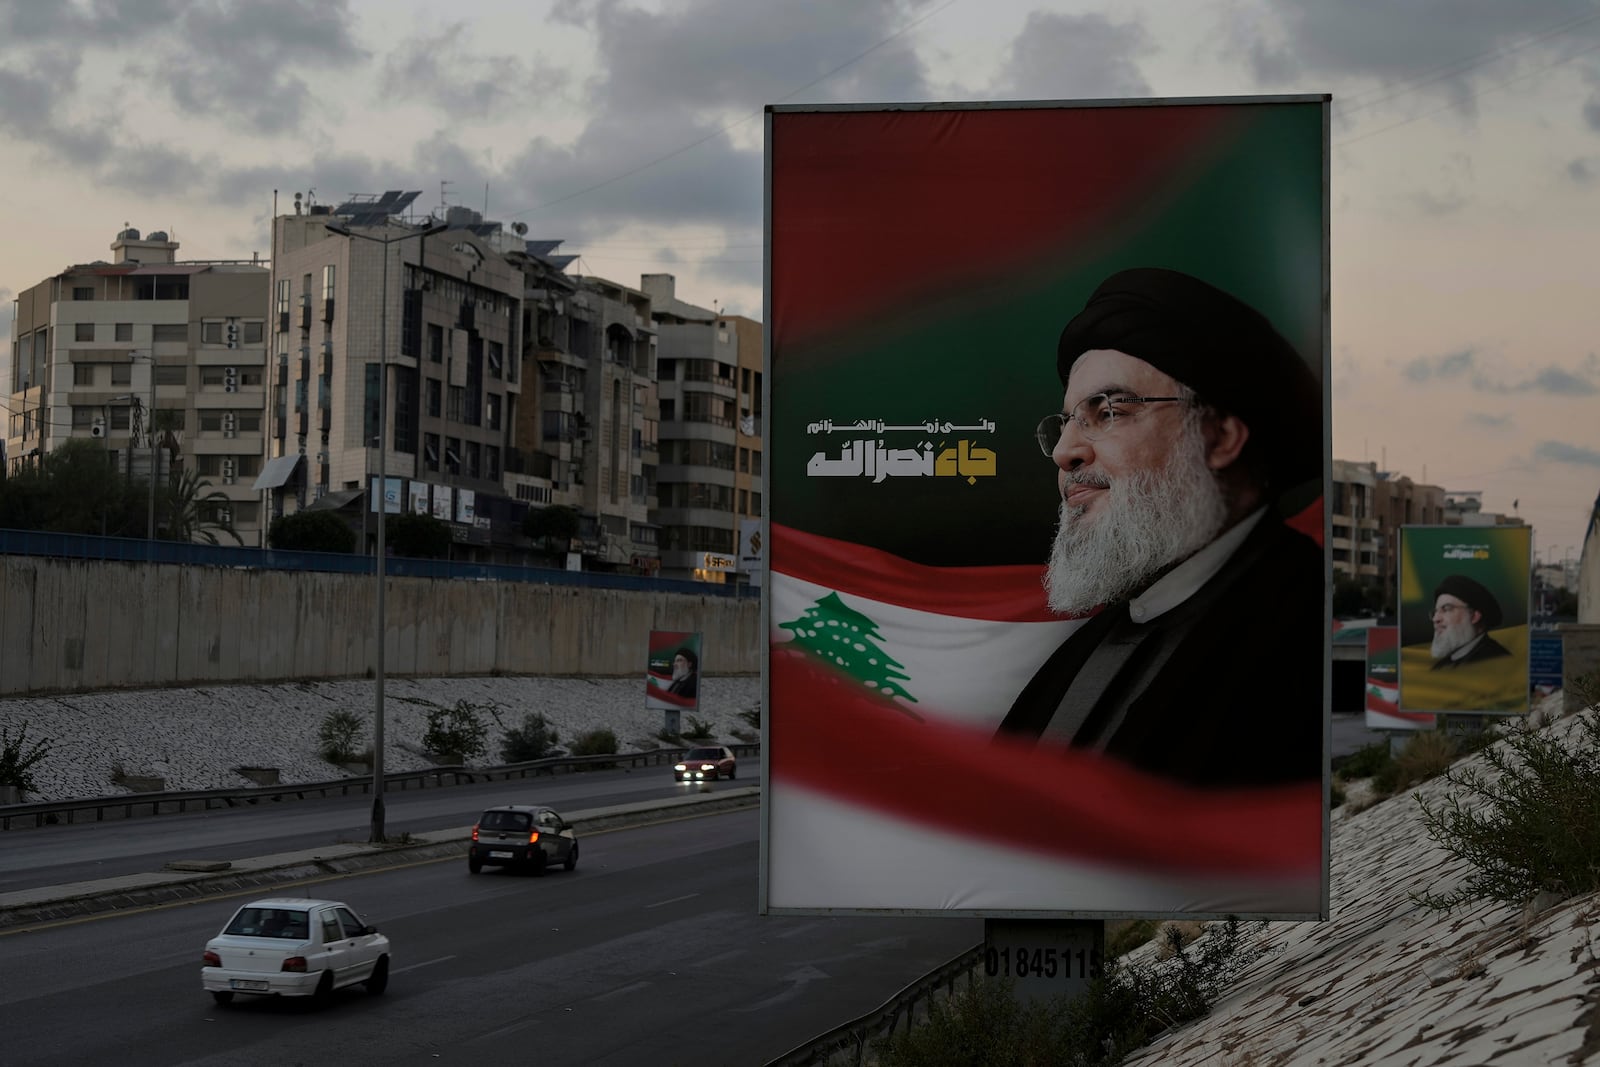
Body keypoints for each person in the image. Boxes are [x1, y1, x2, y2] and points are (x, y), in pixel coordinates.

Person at [995, 267, 1324, 789]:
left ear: (1219, 438)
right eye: (1066, 424)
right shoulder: (1089, 644)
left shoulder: (1309, 624)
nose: (1064, 453)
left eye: (1109, 411)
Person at [1427, 575, 1511, 669]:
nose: (1435, 619)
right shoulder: (1441, 666)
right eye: (1436, 612)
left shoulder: (1496, 660)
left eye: (1446, 609)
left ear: (1474, 616)